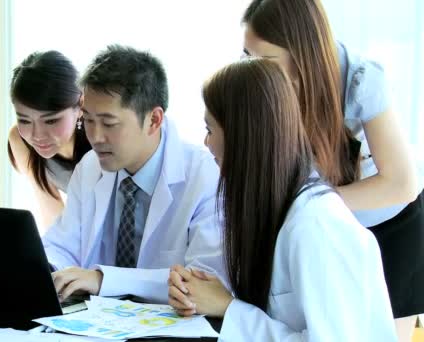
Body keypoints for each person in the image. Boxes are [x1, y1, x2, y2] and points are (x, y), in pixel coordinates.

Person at [168, 58, 396, 341]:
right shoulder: (275, 207)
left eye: (210, 130)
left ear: (243, 134)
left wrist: (229, 308)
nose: (206, 143)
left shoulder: (316, 225)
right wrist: (212, 295)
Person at [240, 0, 423, 339]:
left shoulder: (360, 79)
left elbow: (400, 184)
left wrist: (312, 203)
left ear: (300, 53)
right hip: (327, 226)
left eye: (262, 60)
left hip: (391, 224)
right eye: (246, 55)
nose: (252, 68)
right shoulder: (262, 80)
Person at [43, 45, 223, 304]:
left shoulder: (204, 175)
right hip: (99, 323)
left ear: (154, 120)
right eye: (88, 121)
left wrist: (104, 280)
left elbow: (203, 281)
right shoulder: (91, 166)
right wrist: (47, 269)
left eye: (109, 123)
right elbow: (62, 245)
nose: (95, 137)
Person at [7, 51, 91, 229]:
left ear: (81, 106)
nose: (38, 135)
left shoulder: (104, 140)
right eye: (25, 120)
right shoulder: (20, 140)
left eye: (51, 120)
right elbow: (54, 219)